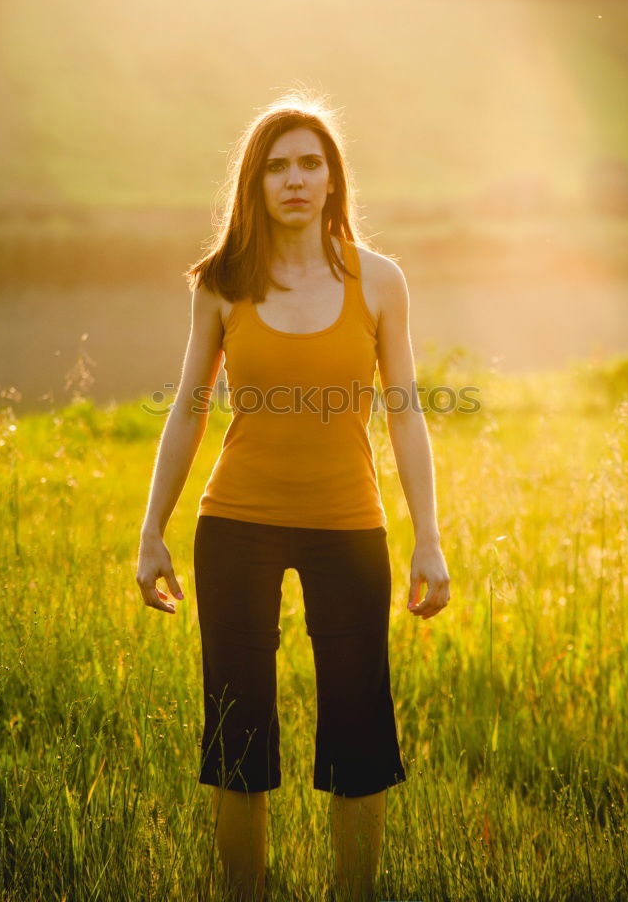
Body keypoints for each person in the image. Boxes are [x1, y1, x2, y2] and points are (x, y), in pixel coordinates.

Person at [136, 92, 451, 902]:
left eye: (311, 162)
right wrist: (151, 534)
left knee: (360, 730)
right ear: (255, 182)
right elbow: (187, 409)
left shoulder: (380, 281)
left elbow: (407, 414)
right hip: (235, 526)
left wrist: (429, 539)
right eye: (277, 165)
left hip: (349, 527)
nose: (295, 179)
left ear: (333, 178)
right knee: (238, 737)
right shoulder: (220, 283)